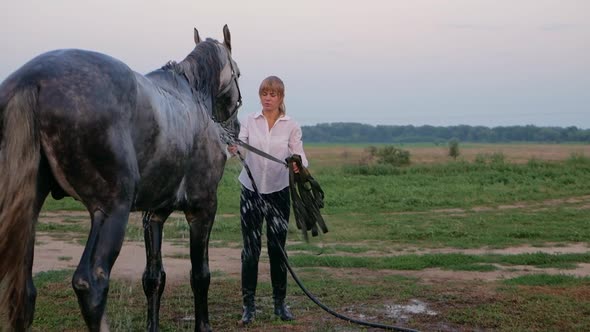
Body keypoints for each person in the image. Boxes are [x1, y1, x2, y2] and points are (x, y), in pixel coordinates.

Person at [228, 75, 308, 325]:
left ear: (281, 98)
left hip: (278, 192)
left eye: (273, 94)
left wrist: (297, 165)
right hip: (251, 191)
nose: (268, 98)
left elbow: (300, 155)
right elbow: (240, 146)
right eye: (264, 93)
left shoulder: (291, 125)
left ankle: (279, 304)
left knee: (277, 250)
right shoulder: (250, 121)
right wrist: (233, 149)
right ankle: (248, 307)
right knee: (250, 251)